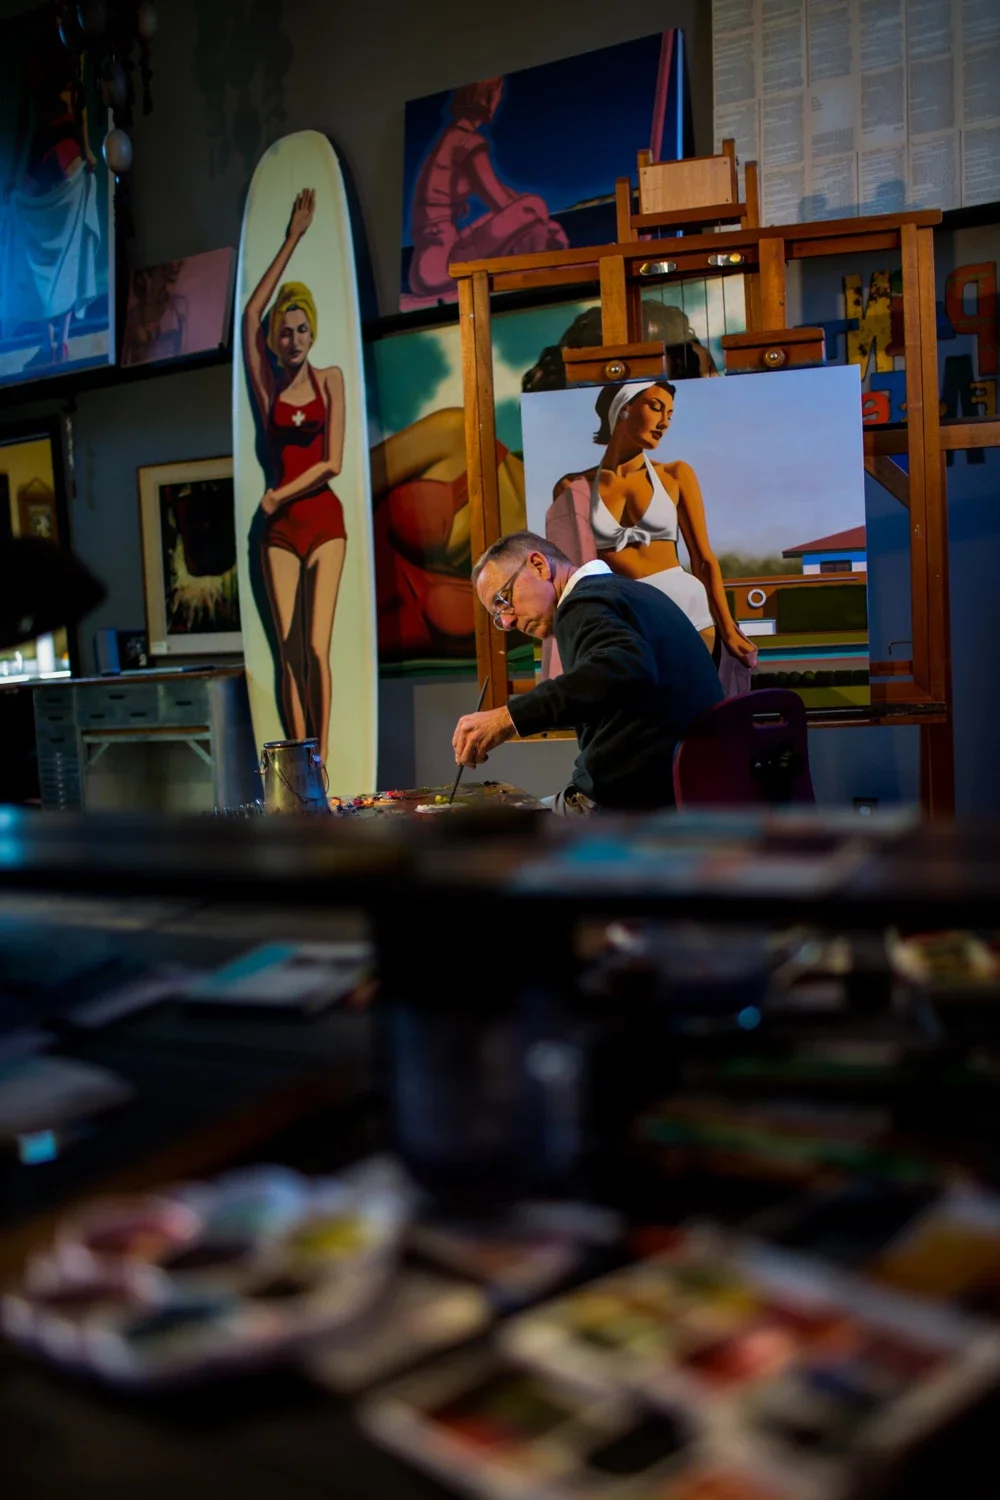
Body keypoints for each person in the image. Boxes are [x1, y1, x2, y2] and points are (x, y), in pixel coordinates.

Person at [451, 531, 724, 814]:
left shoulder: (580, 605)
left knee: (488, 835)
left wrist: (508, 717)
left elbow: (623, 667)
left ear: (539, 566)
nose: (506, 622)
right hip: (692, 788)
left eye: (503, 600)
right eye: (497, 616)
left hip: (639, 807)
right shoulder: (632, 593)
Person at [544, 381, 756, 675]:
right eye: (656, 408)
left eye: (669, 413)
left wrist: (729, 629)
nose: (665, 422)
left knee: (696, 709)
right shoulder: (574, 488)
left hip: (687, 610)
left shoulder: (675, 475)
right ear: (623, 408)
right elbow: (568, 577)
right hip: (623, 620)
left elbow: (703, 559)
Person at [242, 188, 345, 766]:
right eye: (286, 331)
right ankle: (301, 760)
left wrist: (279, 492)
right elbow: (248, 315)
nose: (294, 338)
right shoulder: (269, 388)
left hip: (322, 520)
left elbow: (332, 462)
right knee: (287, 651)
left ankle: (324, 756)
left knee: (315, 647)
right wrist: (292, 238)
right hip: (278, 532)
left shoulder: (331, 379)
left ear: (313, 332)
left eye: (302, 329)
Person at [370, 407, 525, 659]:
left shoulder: (551, 574)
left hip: (357, 642)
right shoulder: (459, 434)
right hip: (318, 574)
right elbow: (342, 494)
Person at [403, 76, 568, 309]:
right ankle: (540, 267)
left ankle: (537, 263)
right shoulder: (466, 141)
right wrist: (542, 222)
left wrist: (539, 223)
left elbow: (505, 195)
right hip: (442, 266)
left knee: (527, 208)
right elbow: (500, 200)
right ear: (488, 95)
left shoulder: (450, 137)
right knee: (534, 205)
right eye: (498, 92)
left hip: (426, 266)